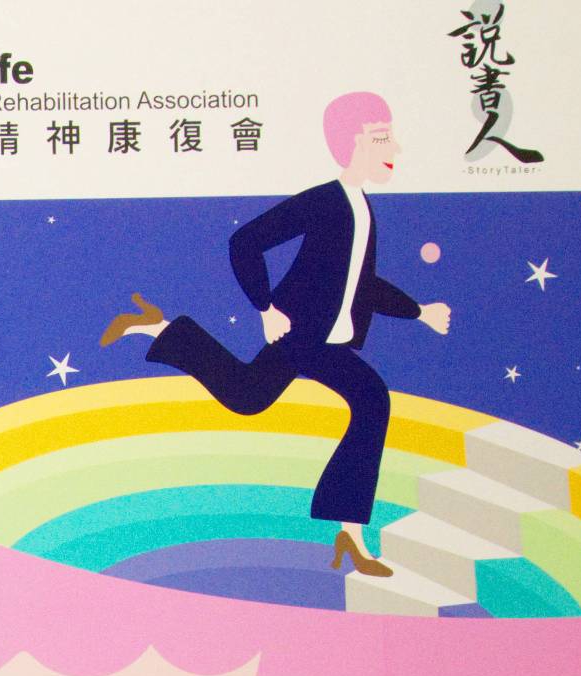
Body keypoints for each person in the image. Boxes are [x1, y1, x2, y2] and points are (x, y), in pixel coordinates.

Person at [99, 92, 453, 578]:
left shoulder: (362, 208)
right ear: (352, 143)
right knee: (371, 399)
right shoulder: (325, 201)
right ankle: (349, 533)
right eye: (381, 136)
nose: (394, 145)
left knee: (248, 395)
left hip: (320, 337)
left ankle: (160, 326)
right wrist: (264, 307)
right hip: (301, 333)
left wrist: (418, 312)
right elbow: (245, 241)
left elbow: (363, 284)